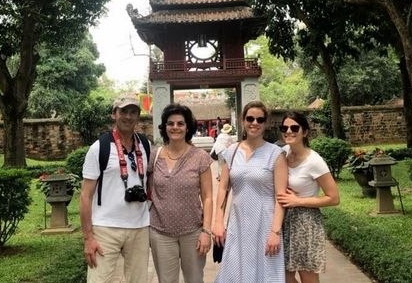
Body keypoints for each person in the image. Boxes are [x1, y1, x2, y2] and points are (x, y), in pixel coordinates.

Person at [212, 101, 288, 283]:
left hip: (265, 224)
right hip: (238, 224)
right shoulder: (231, 151)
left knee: (266, 273)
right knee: (235, 272)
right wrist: (218, 220)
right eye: (250, 118)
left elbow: (280, 197)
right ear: (242, 120)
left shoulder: (276, 154)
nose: (255, 123)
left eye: (260, 119)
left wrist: (275, 232)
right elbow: (223, 187)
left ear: (266, 123)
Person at [79, 96, 150, 283]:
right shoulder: (99, 147)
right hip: (105, 228)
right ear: (114, 114)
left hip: (140, 227)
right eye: (123, 111)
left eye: (133, 112)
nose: (128, 116)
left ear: (138, 116)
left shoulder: (145, 144)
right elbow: (85, 196)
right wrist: (88, 238)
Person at [149, 103, 214, 283]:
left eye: (180, 123)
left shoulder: (200, 157)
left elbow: (208, 197)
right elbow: (149, 190)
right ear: (165, 127)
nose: (175, 127)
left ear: (187, 127)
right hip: (160, 231)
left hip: (192, 231)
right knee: (166, 280)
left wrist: (206, 231)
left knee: (194, 279)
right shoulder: (154, 155)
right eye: (170, 123)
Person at [277, 111, 340, 283]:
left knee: (308, 277)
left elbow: (333, 198)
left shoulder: (314, 161)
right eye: (284, 128)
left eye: (294, 127)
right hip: (283, 220)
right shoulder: (282, 153)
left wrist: (298, 201)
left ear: (304, 132)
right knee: (283, 276)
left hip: (306, 223)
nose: (288, 131)